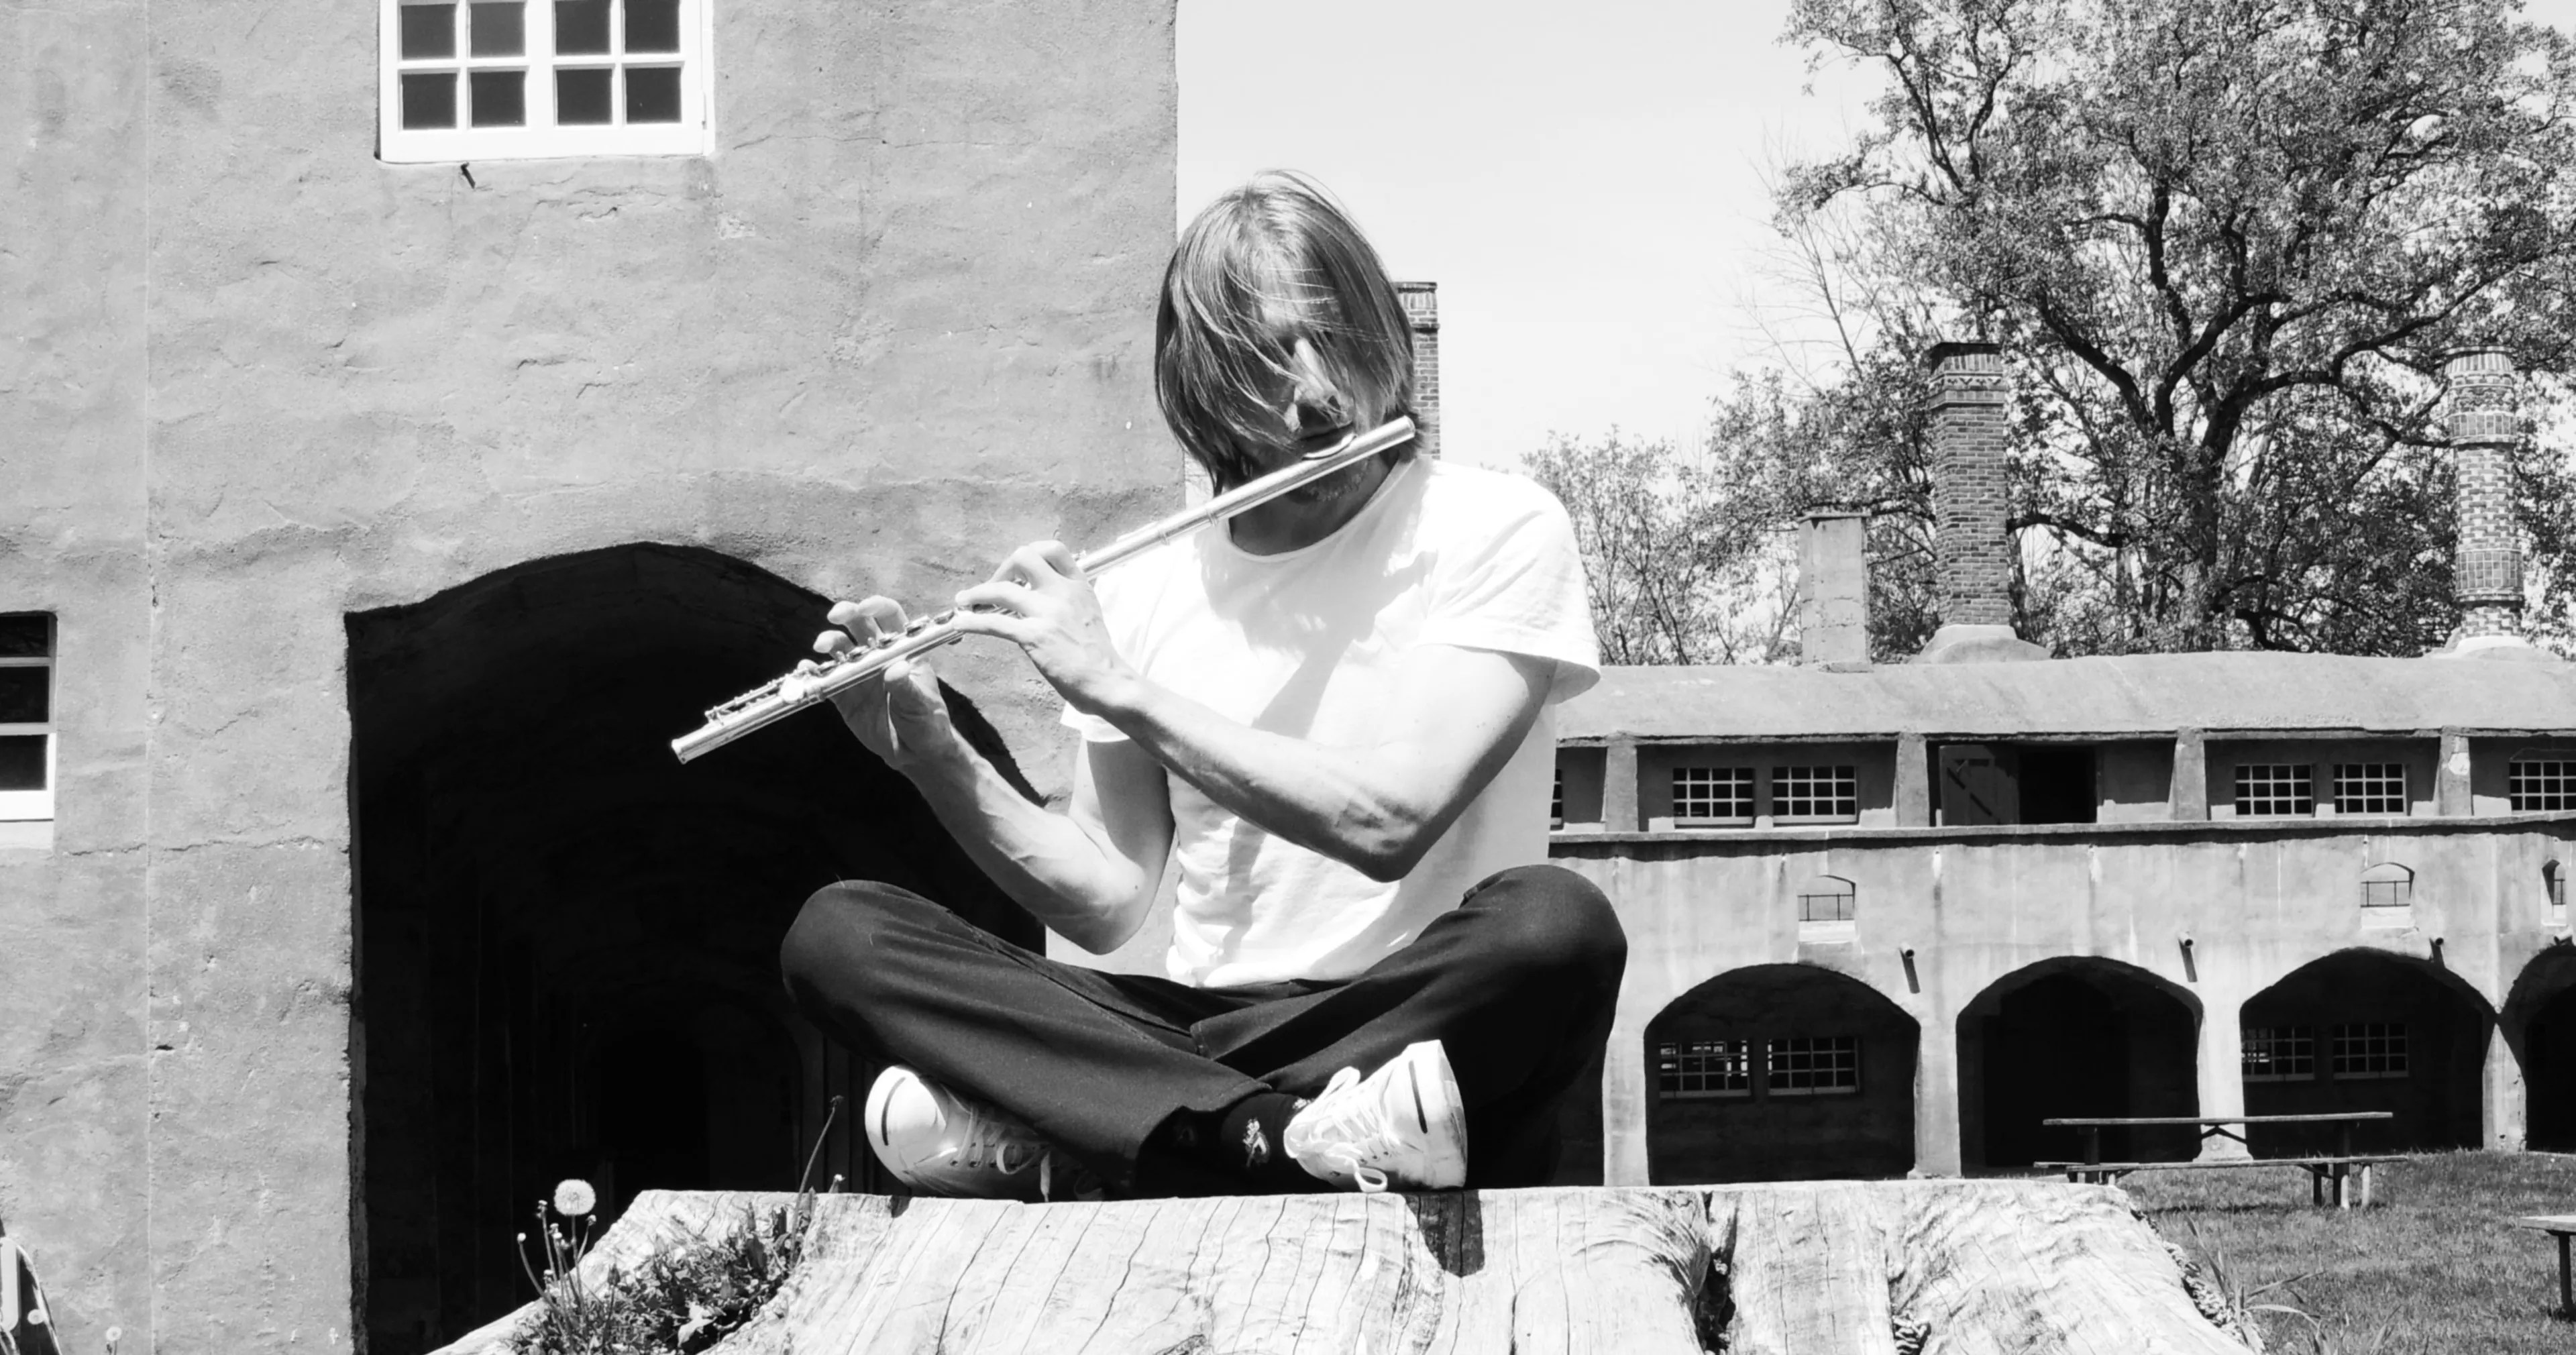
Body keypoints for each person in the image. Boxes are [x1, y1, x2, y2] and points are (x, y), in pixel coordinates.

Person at [779, 172, 1625, 1200]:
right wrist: (933, 755)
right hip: (1211, 1028)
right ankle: (1271, 1138)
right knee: (841, 936)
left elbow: (1391, 819)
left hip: (1413, 1028)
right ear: (1204, 382)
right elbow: (1105, 899)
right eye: (1268, 356)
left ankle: (1121, 1128)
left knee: (1557, 926)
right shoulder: (1145, 587)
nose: (1315, 389)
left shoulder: (1495, 526)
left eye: (1333, 337)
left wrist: (1116, 686)